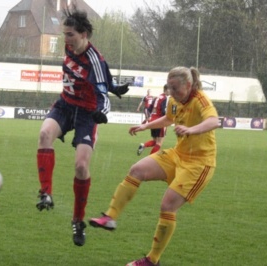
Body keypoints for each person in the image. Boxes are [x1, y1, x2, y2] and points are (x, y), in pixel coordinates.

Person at [89, 66, 219, 266]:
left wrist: (192, 130)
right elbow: (169, 119)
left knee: (167, 206)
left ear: (189, 85)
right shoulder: (174, 101)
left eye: (175, 88)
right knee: (137, 170)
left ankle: (152, 260)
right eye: (169, 88)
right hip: (178, 155)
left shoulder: (200, 99)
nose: (171, 93)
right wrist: (146, 125)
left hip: (199, 164)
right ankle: (110, 217)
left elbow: (213, 121)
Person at [35, 6, 129, 247]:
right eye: (64, 34)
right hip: (65, 105)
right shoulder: (70, 46)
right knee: (45, 133)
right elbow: (104, 77)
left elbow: (101, 91)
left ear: (84, 34)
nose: (66, 40)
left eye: (70, 35)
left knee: (80, 166)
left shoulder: (93, 59)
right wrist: (114, 84)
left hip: (87, 114)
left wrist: (103, 111)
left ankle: (78, 221)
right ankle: (45, 192)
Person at [137, 85, 170, 156]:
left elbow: (149, 109)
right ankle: (150, 160)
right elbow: (163, 110)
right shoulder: (165, 98)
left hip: (153, 121)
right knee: (159, 143)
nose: (171, 91)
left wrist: (148, 118)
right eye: (170, 89)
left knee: (155, 141)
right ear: (166, 90)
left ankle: (144, 145)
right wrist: (168, 118)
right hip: (160, 121)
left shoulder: (156, 97)